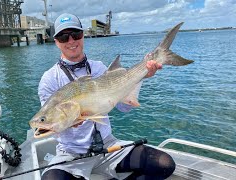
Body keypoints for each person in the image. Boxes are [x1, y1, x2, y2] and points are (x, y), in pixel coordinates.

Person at [38, 13, 175, 180]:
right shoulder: (49, 79)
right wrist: (70, 123)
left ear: (83, 36)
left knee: (164, 164)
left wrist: (142, 75)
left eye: (76, 34)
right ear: (56, 42)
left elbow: (124, 107)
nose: (71, 41)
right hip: (71, 155)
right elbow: (54, 128)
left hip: (109, 147)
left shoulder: (99, 68)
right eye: (64, 37)